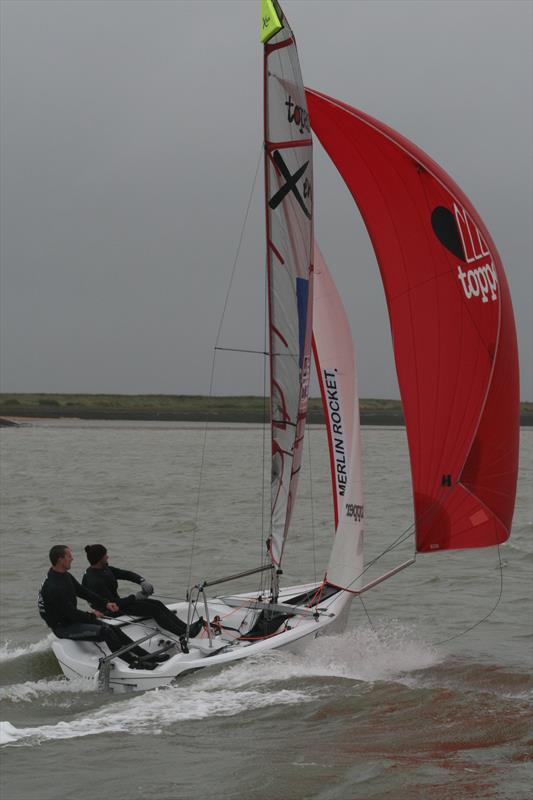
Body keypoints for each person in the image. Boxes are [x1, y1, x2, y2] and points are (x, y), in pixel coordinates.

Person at [38, 545, 166, 670]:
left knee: (113, 628)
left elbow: (83, 591)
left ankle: (146, 656)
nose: (72, 559)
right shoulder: (54, 586)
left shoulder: (64, 575)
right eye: (69, 556)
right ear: (60, 559)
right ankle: (135, 663)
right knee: (106, 631)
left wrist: (105, 603)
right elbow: (71, 613)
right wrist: (93, 615)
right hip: (64, 627)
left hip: (72, 620)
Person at [82, 544, 203, 640]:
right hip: (110, 610)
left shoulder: (104, 568)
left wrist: (142, 581)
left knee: (157, 603)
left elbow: (125, 574)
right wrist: (136, 597)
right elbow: (113, 603)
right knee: (153, 609)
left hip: (119, 603)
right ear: (99, 559)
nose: (107, 557)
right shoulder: (94, 581)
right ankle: (185, 634)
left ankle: (186, 629)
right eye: (105, 555)